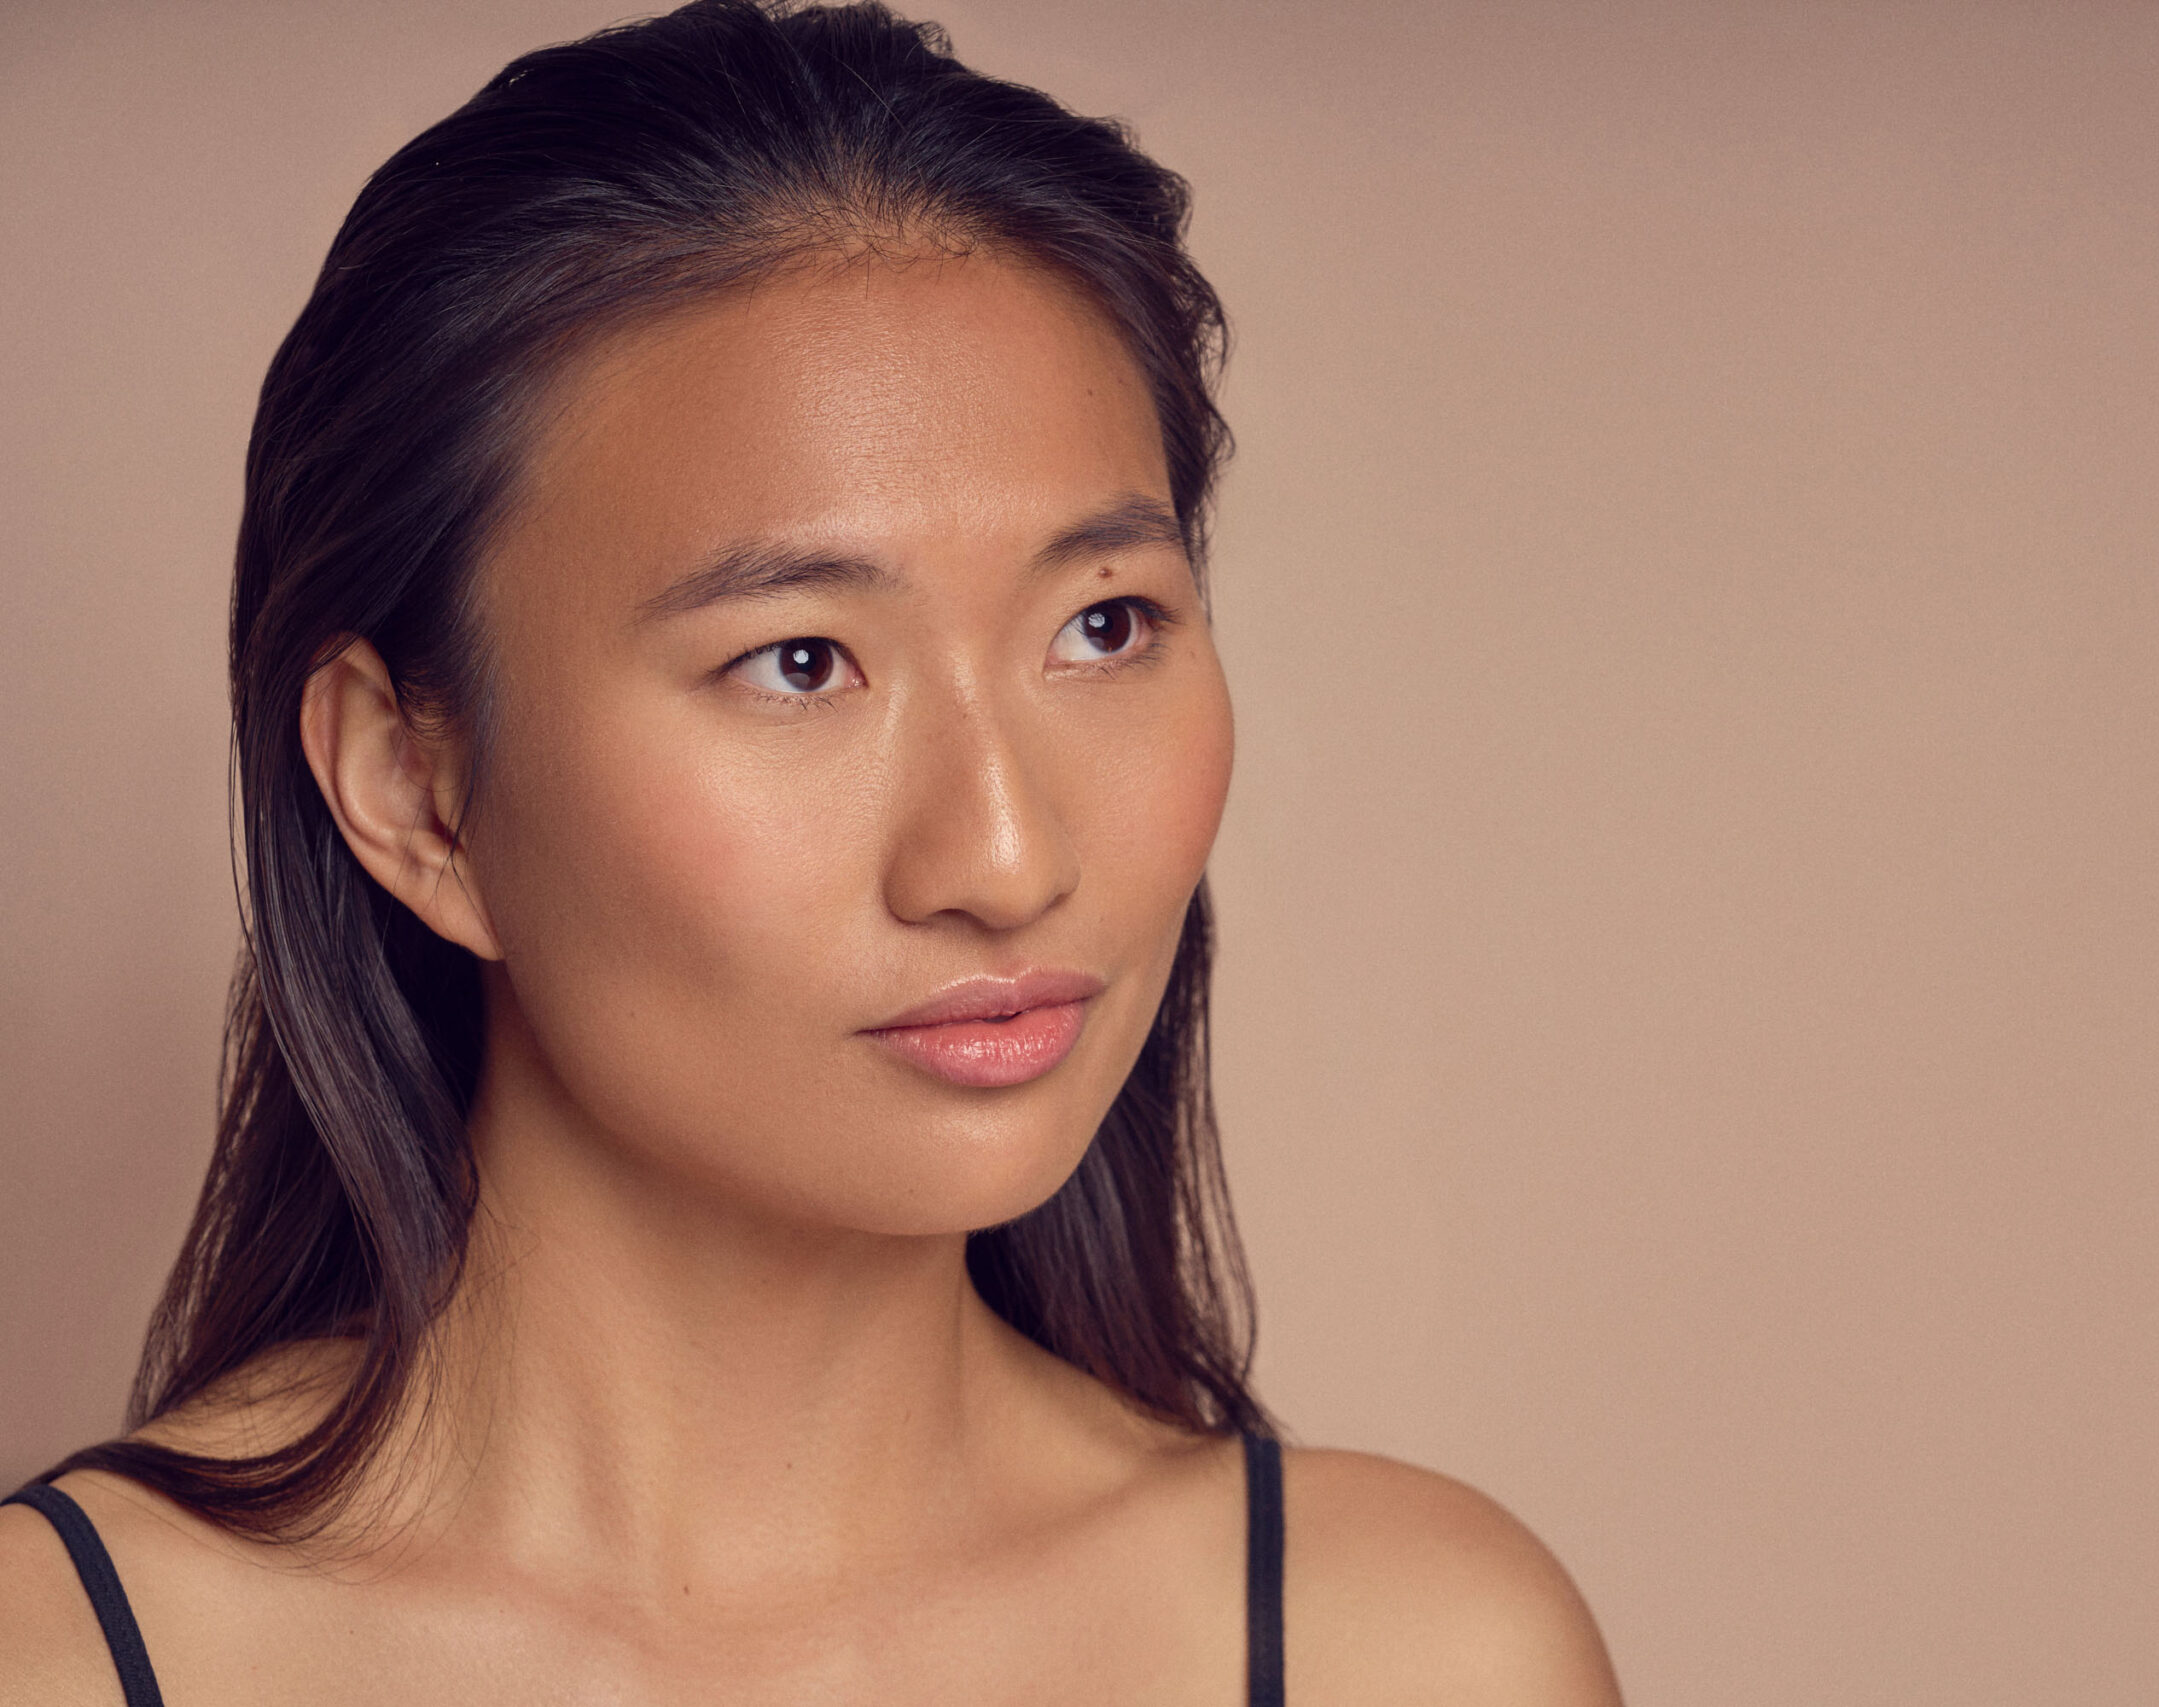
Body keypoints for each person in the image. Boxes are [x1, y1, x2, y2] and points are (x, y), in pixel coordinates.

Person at [0, 3, 1620, 1701]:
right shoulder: (68, 1661)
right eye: (799, 662)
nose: (1002, 855)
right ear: (414, 788)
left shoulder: (1418, 1653)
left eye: (1105, 624)